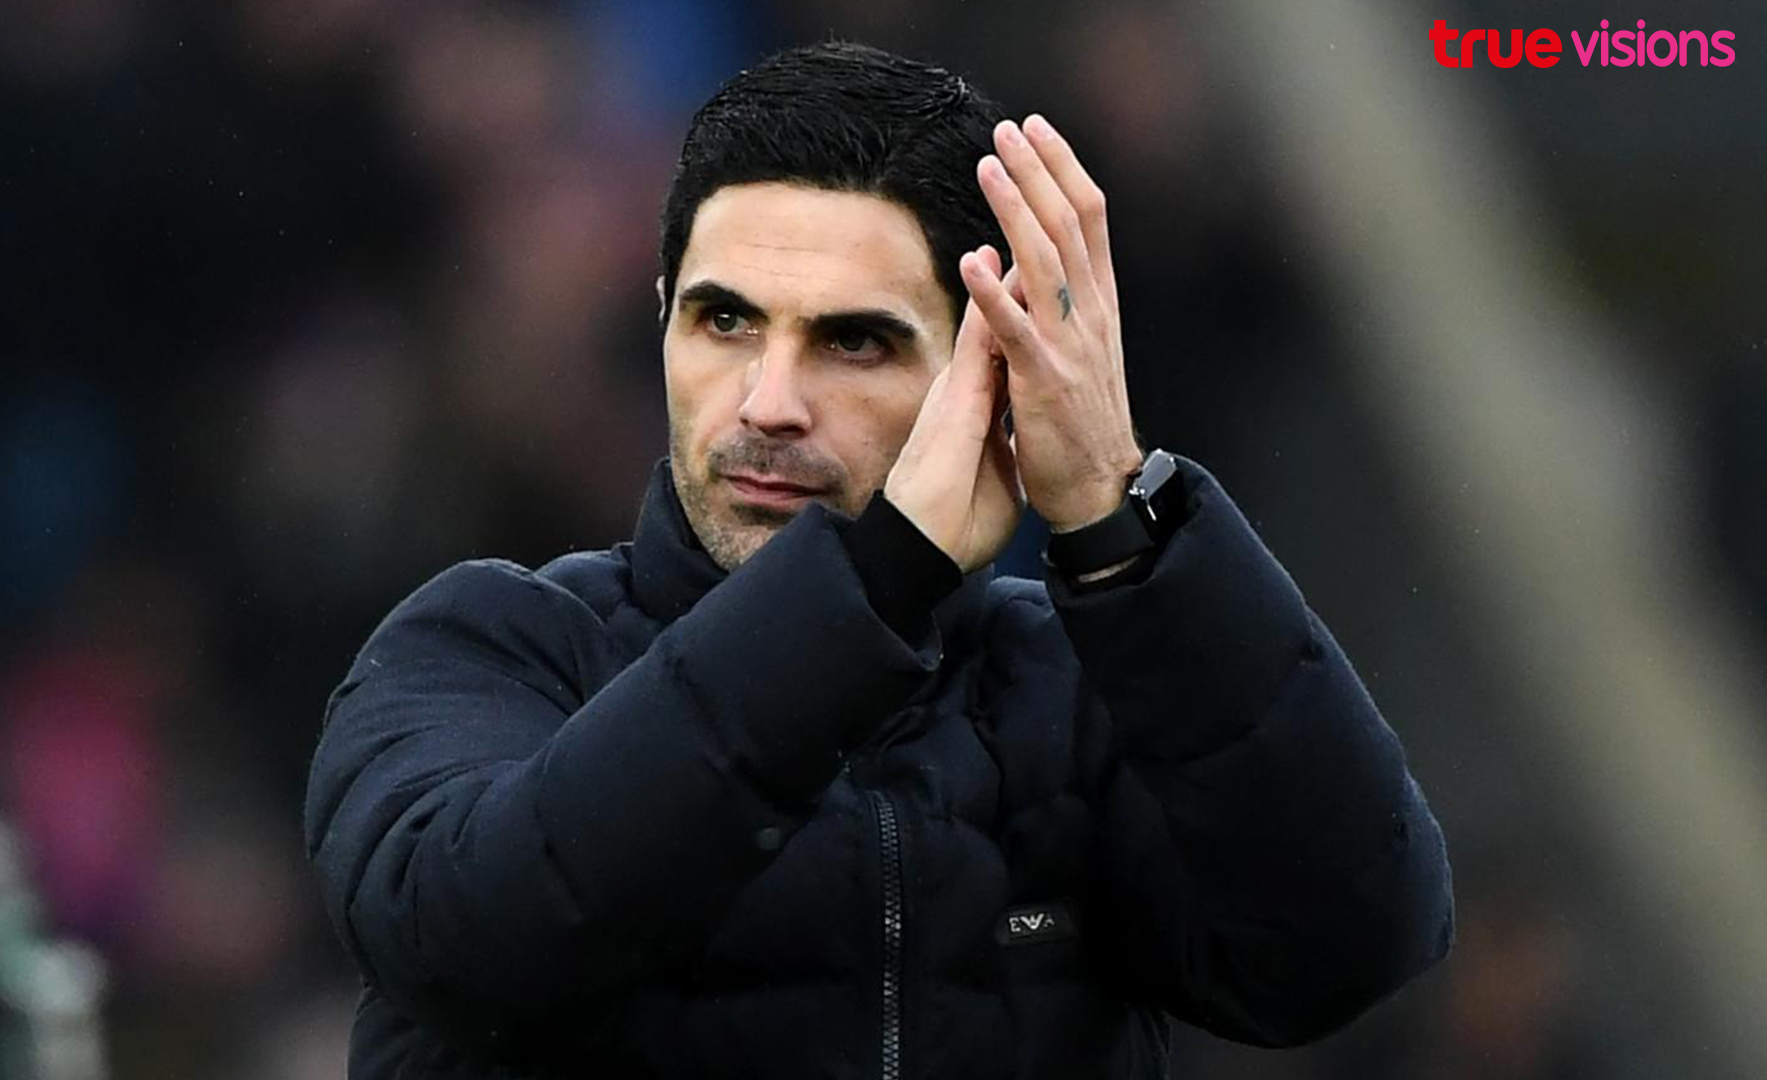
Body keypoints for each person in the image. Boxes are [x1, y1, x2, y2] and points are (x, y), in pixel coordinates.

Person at [303, 40, 1452, 1080]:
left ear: (989, 369)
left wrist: (1119, 519)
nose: (769, 401)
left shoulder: (1076, 696)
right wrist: (879, 579)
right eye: (724, 321)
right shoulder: (487, 648)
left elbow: (1347, 949)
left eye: (854, 340)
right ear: (660, 320)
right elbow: (472, 938)